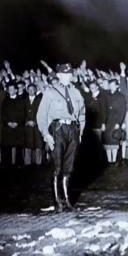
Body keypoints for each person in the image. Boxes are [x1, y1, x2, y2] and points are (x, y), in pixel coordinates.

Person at [36, 63, 86, 211]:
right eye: (65, 74)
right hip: (57, 130)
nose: (68, 76)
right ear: (59, 75)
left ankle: (68, 201)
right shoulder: (50, 92)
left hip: (73, 130)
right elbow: (41, 115)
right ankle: (57, 202)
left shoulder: (76, 92)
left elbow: (82, 114)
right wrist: (46, 134)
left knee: (69, 168)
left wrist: (80, 133)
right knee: (57, 167)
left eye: (70, 74)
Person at [101, 79, 126, 166]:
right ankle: (109, 161)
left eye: (113, 85)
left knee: (114, 140)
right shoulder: (106, 96)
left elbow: (122, 111)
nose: (111, 86)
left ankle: (114, 160)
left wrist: (118, 123)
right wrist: (103, 123)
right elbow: (103, 109)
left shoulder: (120, 96)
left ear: (116, 86)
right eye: (110, 85)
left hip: (115, 121)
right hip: (108, 121)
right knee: (107, 141)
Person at [1, 81, 25, 167]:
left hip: (18, 127)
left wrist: (17, 122)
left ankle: (19, 164)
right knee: (7, 146)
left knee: (18, 147)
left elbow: (23, 113)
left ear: (16, 90)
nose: (10, 90)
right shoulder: (5, 101)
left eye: (12, 89)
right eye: (9, 89)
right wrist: (8, 123)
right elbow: (3, 113)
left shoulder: (21, 101)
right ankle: (7, 164)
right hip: (8, 127)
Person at [23, 84, 44, 166]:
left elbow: (42, 113)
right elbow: (22, 113)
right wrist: (27, 121)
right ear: (27, 90)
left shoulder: (40, 100)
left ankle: (38, 163)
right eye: (29, 89)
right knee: (28, 145)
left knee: (38, 144)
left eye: (33, 89)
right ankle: (27, 163)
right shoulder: (24, 101)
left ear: (35, 90)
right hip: (27, 126)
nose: (31, 91)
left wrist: (35, 121)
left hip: (37, 126)